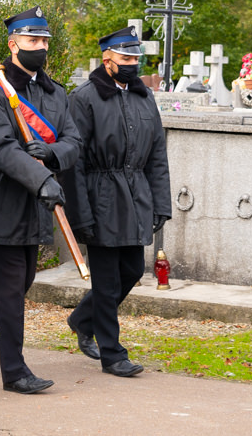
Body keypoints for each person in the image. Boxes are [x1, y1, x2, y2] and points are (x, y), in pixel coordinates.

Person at [0, 6, 81, 394]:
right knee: (11, 288)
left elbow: (74, 141)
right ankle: (15, 371)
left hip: (37, 205)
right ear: (12, 45)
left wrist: (52, 154)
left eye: (44, 41)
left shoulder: (55, 93)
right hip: (2, 201)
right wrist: (41, 177)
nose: (40, 47)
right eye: (32, 40)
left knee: (20, 282)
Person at [58, 26, 170, 377]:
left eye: (136, 58)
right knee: (106, 282)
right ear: (107, 60)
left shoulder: (143, 97)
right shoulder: (84, 98)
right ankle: (112, 353)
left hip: (135, 193)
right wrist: (80, 214)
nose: (132, 65)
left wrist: (161, 203)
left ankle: (81, 318)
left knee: (133, 270)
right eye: (125, 58)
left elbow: (157, 154)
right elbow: (72, 159)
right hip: (100, 194)